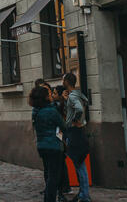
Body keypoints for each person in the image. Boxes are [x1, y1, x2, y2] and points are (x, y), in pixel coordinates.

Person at [30, 85, 67, 202]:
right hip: (54, 146)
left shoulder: (36, 111)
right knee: (54, 177)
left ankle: (48, 197)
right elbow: (63, 126)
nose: (51, 96)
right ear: (45, 97)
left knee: (49, 174)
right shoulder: (51, 111)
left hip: (42, 146)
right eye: (49, 94)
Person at [62, 72, 91, 202]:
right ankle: (83, 193)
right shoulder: (78, 94)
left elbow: (79, 109)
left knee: (79, 165)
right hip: (80, 131)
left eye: (63, 80)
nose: (62, 82)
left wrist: (74, 119)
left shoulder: (72, 97)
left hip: (74, 131)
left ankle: (84, 195)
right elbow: (86, 101)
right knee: (80, 164)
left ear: (67, 82)